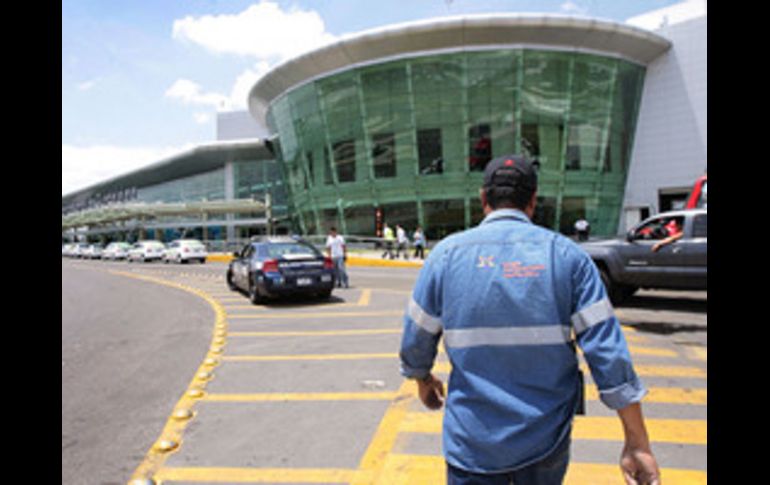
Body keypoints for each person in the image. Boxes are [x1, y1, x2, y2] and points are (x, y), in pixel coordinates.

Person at [399, 154, 660, 485]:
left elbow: (415, 339)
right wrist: (636, 441)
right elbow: (607, 353)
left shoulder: (445, 256)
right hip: (545, 440)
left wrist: (422, 378)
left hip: (471, 440)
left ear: (483, 199)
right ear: (533, 201)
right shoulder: (568, 258)